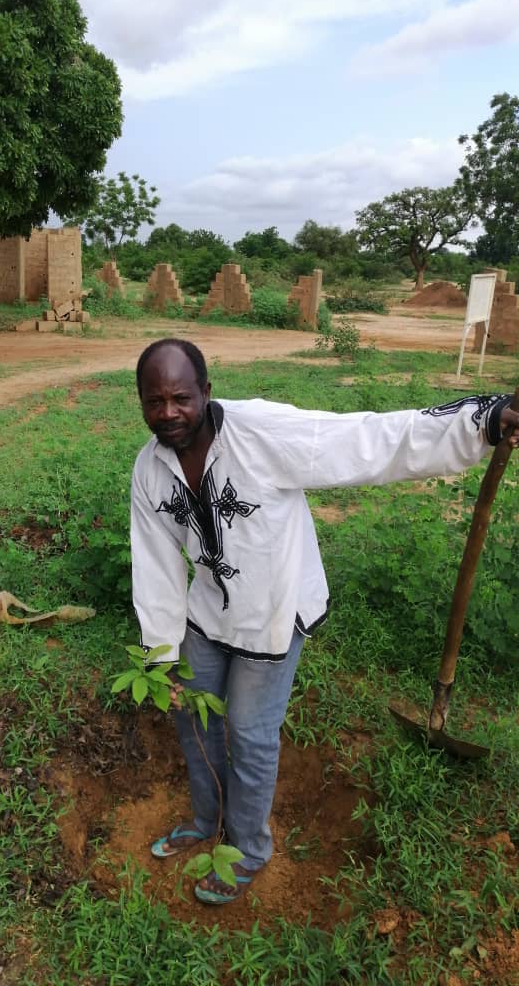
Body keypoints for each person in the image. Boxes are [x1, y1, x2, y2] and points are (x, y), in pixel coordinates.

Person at [130, 337, 517, 906]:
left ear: (206, 393)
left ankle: (249, 849)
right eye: (153, 400)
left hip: (275, 611)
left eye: (180, 398)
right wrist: (160, 653)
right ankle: (206, 821)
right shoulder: (150, 469)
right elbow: (157, 562)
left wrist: (480, 421)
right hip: (209, 614)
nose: (168, 413)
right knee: (193, 721)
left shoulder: (262, 433)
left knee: (250, 734)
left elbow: (367, 439)